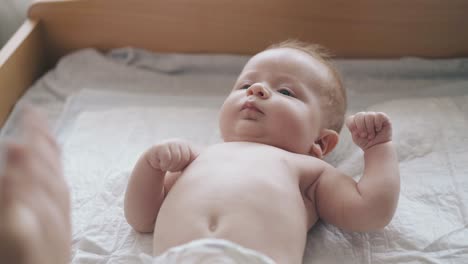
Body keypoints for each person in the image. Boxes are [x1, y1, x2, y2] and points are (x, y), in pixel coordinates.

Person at [0, 40, 400, 264]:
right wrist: (151, 167)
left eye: (285, 92)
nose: (257, 91)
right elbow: (142, 218)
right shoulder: (196, 157)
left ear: (322, 143)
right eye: (245, 85)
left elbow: (370, 210)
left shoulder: (308, 170)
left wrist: (378, 151)